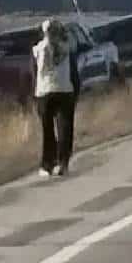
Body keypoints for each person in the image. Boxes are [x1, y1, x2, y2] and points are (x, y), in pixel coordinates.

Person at [32, 19, 80, 177]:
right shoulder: (68, 48)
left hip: (44, 92)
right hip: (65, 90)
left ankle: (47, 164)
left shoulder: (38, 50)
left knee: (48, 131)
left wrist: (34, 94)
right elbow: (74, 72)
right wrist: (76, 91)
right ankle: (63, 163)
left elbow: (34, 73)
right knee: (65, 128)